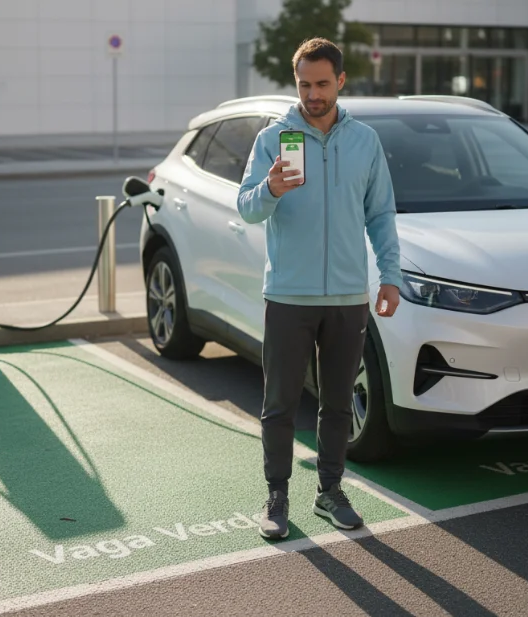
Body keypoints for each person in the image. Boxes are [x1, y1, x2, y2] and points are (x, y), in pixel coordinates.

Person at [236, 37, 402, 540]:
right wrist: (271, 190)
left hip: (348, 298)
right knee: (279, 404)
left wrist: (390, 276)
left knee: (336, 403)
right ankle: (277, 495)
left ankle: (330, 490)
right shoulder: (272, 138)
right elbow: (245, 207)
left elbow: (380, 215)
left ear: (341, 82)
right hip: (288, 296)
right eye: (305, 84)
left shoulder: (365, 141)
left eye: (322, 84)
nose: (312, 94)